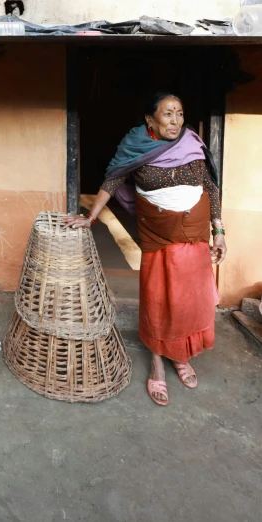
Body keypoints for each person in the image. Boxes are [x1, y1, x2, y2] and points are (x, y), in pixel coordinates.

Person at [64, 91, 227, 407]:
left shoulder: (192, 143)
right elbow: (112, 181)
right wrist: (90, 217)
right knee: (159, 300)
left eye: (179, 113)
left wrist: (218, 230)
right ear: (150, 119)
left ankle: (181, 357)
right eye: (167, 114)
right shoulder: (135, 146)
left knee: (191, 301)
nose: (175, 120)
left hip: (194, 238)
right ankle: (157, 364)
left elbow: (210, 186)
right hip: (157, 237)